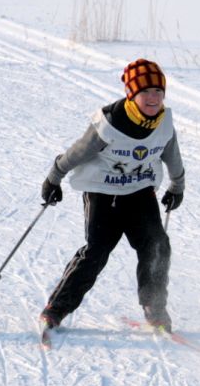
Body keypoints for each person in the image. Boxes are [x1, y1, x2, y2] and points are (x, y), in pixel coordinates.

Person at [39, 58, 185, 333]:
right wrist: (54, 177)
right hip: (103, 194)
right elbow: (76, 153)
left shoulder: (164, 123)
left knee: (157, 245)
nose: (153, 98)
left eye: (158, 92)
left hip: (140, 192)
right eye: (146, 92)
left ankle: (154, 307)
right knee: (97, 250)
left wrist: (177, 186)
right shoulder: (109, 124)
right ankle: (55, 309)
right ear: (132, 94)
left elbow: (172, 155)